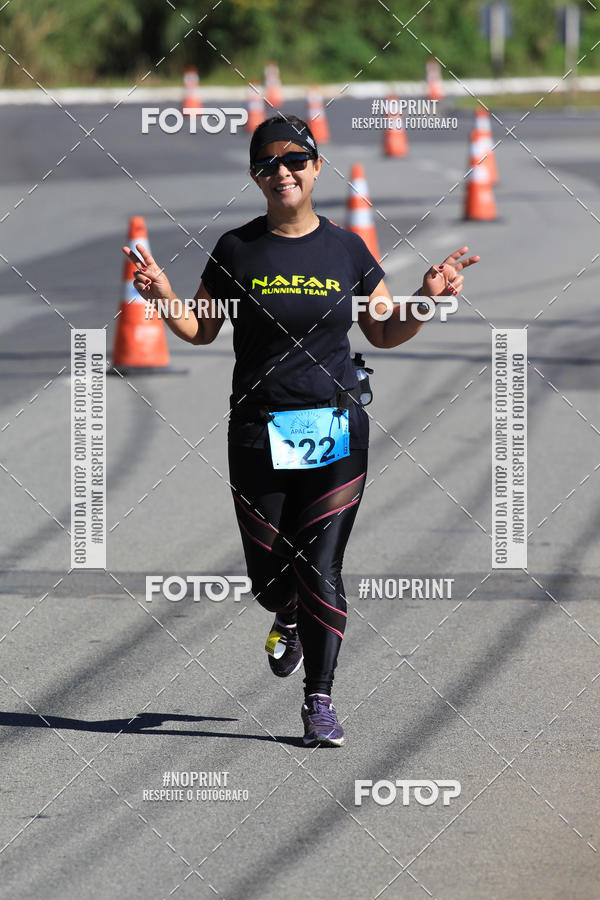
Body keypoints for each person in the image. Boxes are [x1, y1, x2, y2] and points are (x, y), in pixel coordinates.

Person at [122, 114, 479, 747]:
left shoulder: (346, 249)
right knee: (269, 576)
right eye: (268, 165)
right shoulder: (236, 249)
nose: (282, 173)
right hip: (258, 432)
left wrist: (426, 299)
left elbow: (383, 330)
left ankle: (319, 700)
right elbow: (202, 329)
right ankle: (284, 611)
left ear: (316, 168)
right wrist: (161, 296)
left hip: (334, 426)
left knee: (321, 566)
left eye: (295, 162)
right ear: (255, 177)